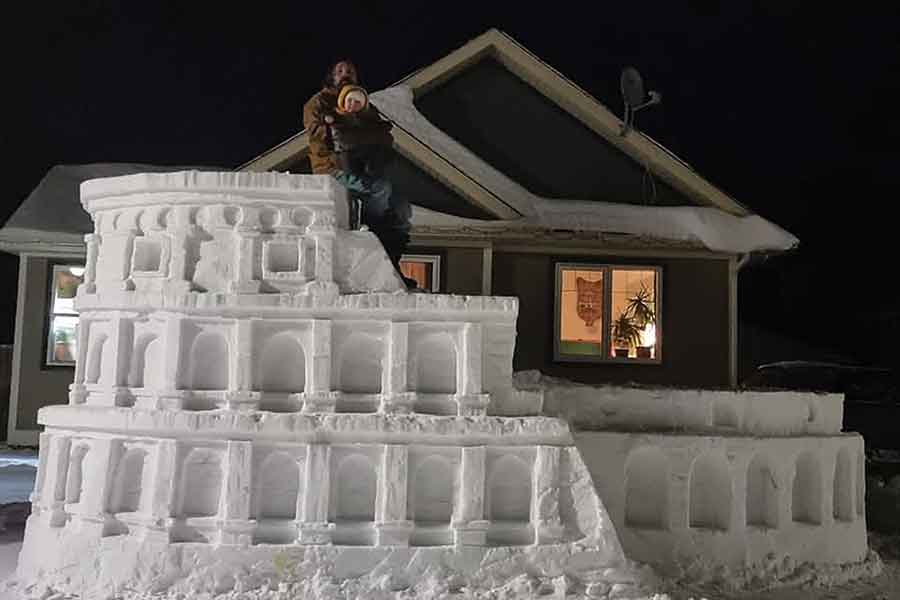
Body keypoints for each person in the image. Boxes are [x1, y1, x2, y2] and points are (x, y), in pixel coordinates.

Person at [302, 59, 416, 288]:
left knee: (402, 208)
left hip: (365, 168)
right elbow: (322, 133)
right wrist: (342, 127)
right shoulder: (319, 102)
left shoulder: (364, 105)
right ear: (331, 75)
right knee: (379, 190)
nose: (346, 74)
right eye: (340, 70)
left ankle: (391, 265)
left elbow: (382, 135)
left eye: (351, 71)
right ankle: (373, 228)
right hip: (332, 167)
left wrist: (364, 135)